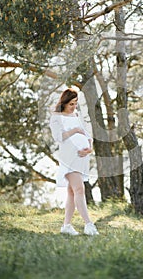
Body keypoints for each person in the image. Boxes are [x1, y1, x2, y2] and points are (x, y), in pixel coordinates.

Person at [49, 88, 99, 236]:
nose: (73, 107)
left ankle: (66, 226)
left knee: (72, 192)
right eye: (71, 104)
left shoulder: (77, 115)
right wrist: (75, 130)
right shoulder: (56, 117)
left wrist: (89, 148)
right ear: (64, 103)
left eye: (75, 103)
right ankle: (89, 225)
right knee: (79, 189)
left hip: (81, 158)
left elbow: (88, 134)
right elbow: (58, 137)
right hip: (68, 158)